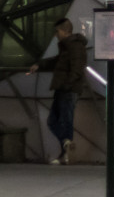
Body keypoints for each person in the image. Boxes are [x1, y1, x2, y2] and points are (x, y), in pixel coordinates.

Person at [27, 18, 88, 164]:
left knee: (63, 120)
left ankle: (65, 153)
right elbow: (57, 61)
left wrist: (67, 84)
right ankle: (66, 145)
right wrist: (40, 65)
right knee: (54, 121)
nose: (56, 35)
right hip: (63, 88)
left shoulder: (74, 46)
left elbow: (76, 69)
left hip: (68, 89)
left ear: (65, 31)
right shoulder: (67, 46)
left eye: (57, 31)